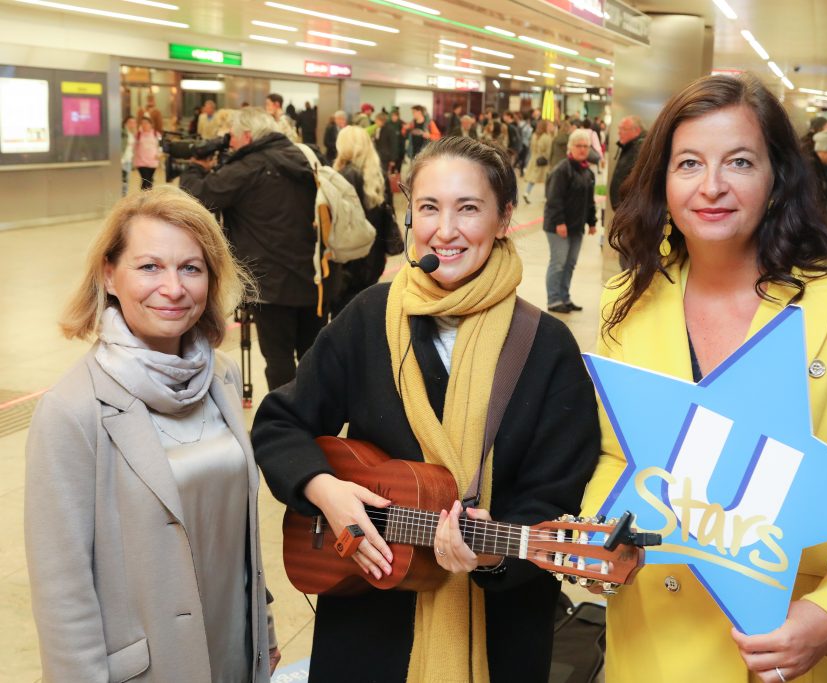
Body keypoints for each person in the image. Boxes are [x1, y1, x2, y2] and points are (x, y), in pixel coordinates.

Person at [583, 73, 827, 683]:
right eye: (688, 163)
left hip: (790, 648)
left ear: (777, 178)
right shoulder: (627, 301)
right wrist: (598, 533)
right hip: (655, 647)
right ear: (663, 181)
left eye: (739, 162)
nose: (712, 186)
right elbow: (618, 459)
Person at [251, 135, 601, 682]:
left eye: (469, 208)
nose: (445, 229)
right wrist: (327, 490)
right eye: (429, 208)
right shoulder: (369, 317)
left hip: (498, 627)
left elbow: (555, 495)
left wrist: (493, 553)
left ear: (505, 217)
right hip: (370, 612)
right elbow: (280, 423)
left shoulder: (547, 346)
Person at [25, 186, 279, 681]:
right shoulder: (74, 410)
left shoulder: (222, 378)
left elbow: (238, 534)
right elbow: (62, 591)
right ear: (109, 274)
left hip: (233, 649)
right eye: (149, 267)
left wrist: (262, 626)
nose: (173, 287)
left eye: (190, 267)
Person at [179, 106, 324, 391]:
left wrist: (195, 166)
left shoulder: (246, 168)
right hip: (316, 276)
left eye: (232, 136)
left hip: (271, 284)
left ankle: (287, 419)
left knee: (279, 358)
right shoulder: (306, 157)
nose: (229, 142)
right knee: (313, 354)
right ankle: (318, 416)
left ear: (246, 135)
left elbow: (197, 197)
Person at [329, 125, 394, 316]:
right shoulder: (378, 177)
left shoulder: (344, 177)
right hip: (373, 260)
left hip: (348, 263)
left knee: (343, 319)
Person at [543, 128, 597, 313]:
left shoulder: (587, 172)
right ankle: (554, 300)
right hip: (558, 226)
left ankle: (565, 298)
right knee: (558, 263)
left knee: (570, 264)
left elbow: (589, 200)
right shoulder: (561, 170)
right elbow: (553, 199)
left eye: (586, 146)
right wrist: (559, 223)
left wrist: (592, 222)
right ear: (570, 147)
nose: (582, 149)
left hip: (576, 227)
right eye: (579, 146)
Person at [609, 115, 645, 212]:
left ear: (636, 131)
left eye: (623, 129)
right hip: (623, 209)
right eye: (619, 128)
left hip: (631, 211)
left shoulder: (641, 149)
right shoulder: (630, 145)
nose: (619, 132)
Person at [522, 119, 553, 204]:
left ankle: (526, 193)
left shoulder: (534, 135)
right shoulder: (547, 137)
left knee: (533, 178)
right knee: (547, 178)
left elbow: (531, 147)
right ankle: (547, 197)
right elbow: (548, 152)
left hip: (534, 158)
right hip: (543, 160)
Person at [133, 114, 160, 191]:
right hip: (141, 162)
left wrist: (159, 154)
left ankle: (147, 197)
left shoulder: (156, 134)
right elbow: (133, 147)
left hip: (153, 161)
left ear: (151, 124)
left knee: (149, 180)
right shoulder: (138, 134)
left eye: (146, 123)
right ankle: (145, 197)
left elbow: (160, 145)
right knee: (145, 179)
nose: (144, 125)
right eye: (142, 123)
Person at [120, 115, 136, 196]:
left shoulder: (132, 133)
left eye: (133, 122)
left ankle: (123, 199)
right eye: (130, 122)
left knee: (126, 182)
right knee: (122, 182)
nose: (132, 124)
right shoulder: (122, 133)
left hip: (128, 161)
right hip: (122, 161)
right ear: (125, 123)